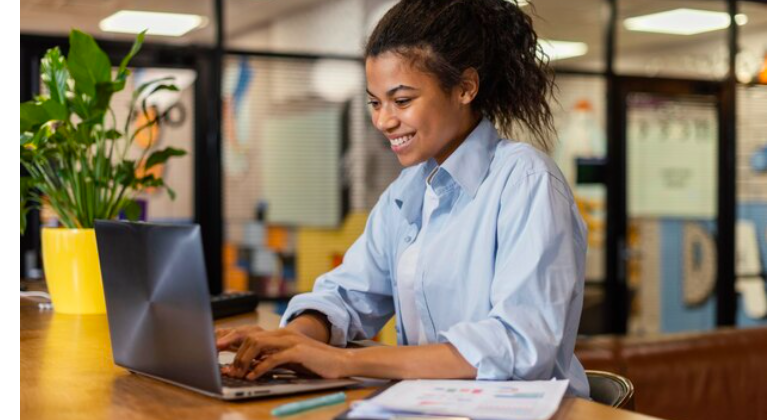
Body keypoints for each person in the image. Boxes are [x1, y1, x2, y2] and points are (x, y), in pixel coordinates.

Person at [217, 0, 590, 397]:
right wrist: (292, 342)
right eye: (375, 102)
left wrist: (344, 362)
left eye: (402, 100)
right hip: (431, 404)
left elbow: (517, 345)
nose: (383, 120)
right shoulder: (407, 191)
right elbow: (346, 294)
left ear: (465, 87)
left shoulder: (526, 181)